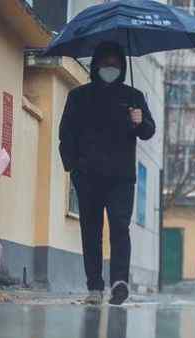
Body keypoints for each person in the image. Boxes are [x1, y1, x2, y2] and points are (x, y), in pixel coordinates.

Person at [59, 41, 155, 306]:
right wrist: (72, 166)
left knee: (120, 228)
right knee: (91, 231)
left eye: (115, 64)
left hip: (121, 177)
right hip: (87, 176)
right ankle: (94, 287)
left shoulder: (134, 96)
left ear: (122, 67)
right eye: (105, 63)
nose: (110, 68)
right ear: (96, 66)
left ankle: (119, 283)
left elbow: (148, 131)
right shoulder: (79, 96)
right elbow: (66, 133)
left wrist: (140, 121)